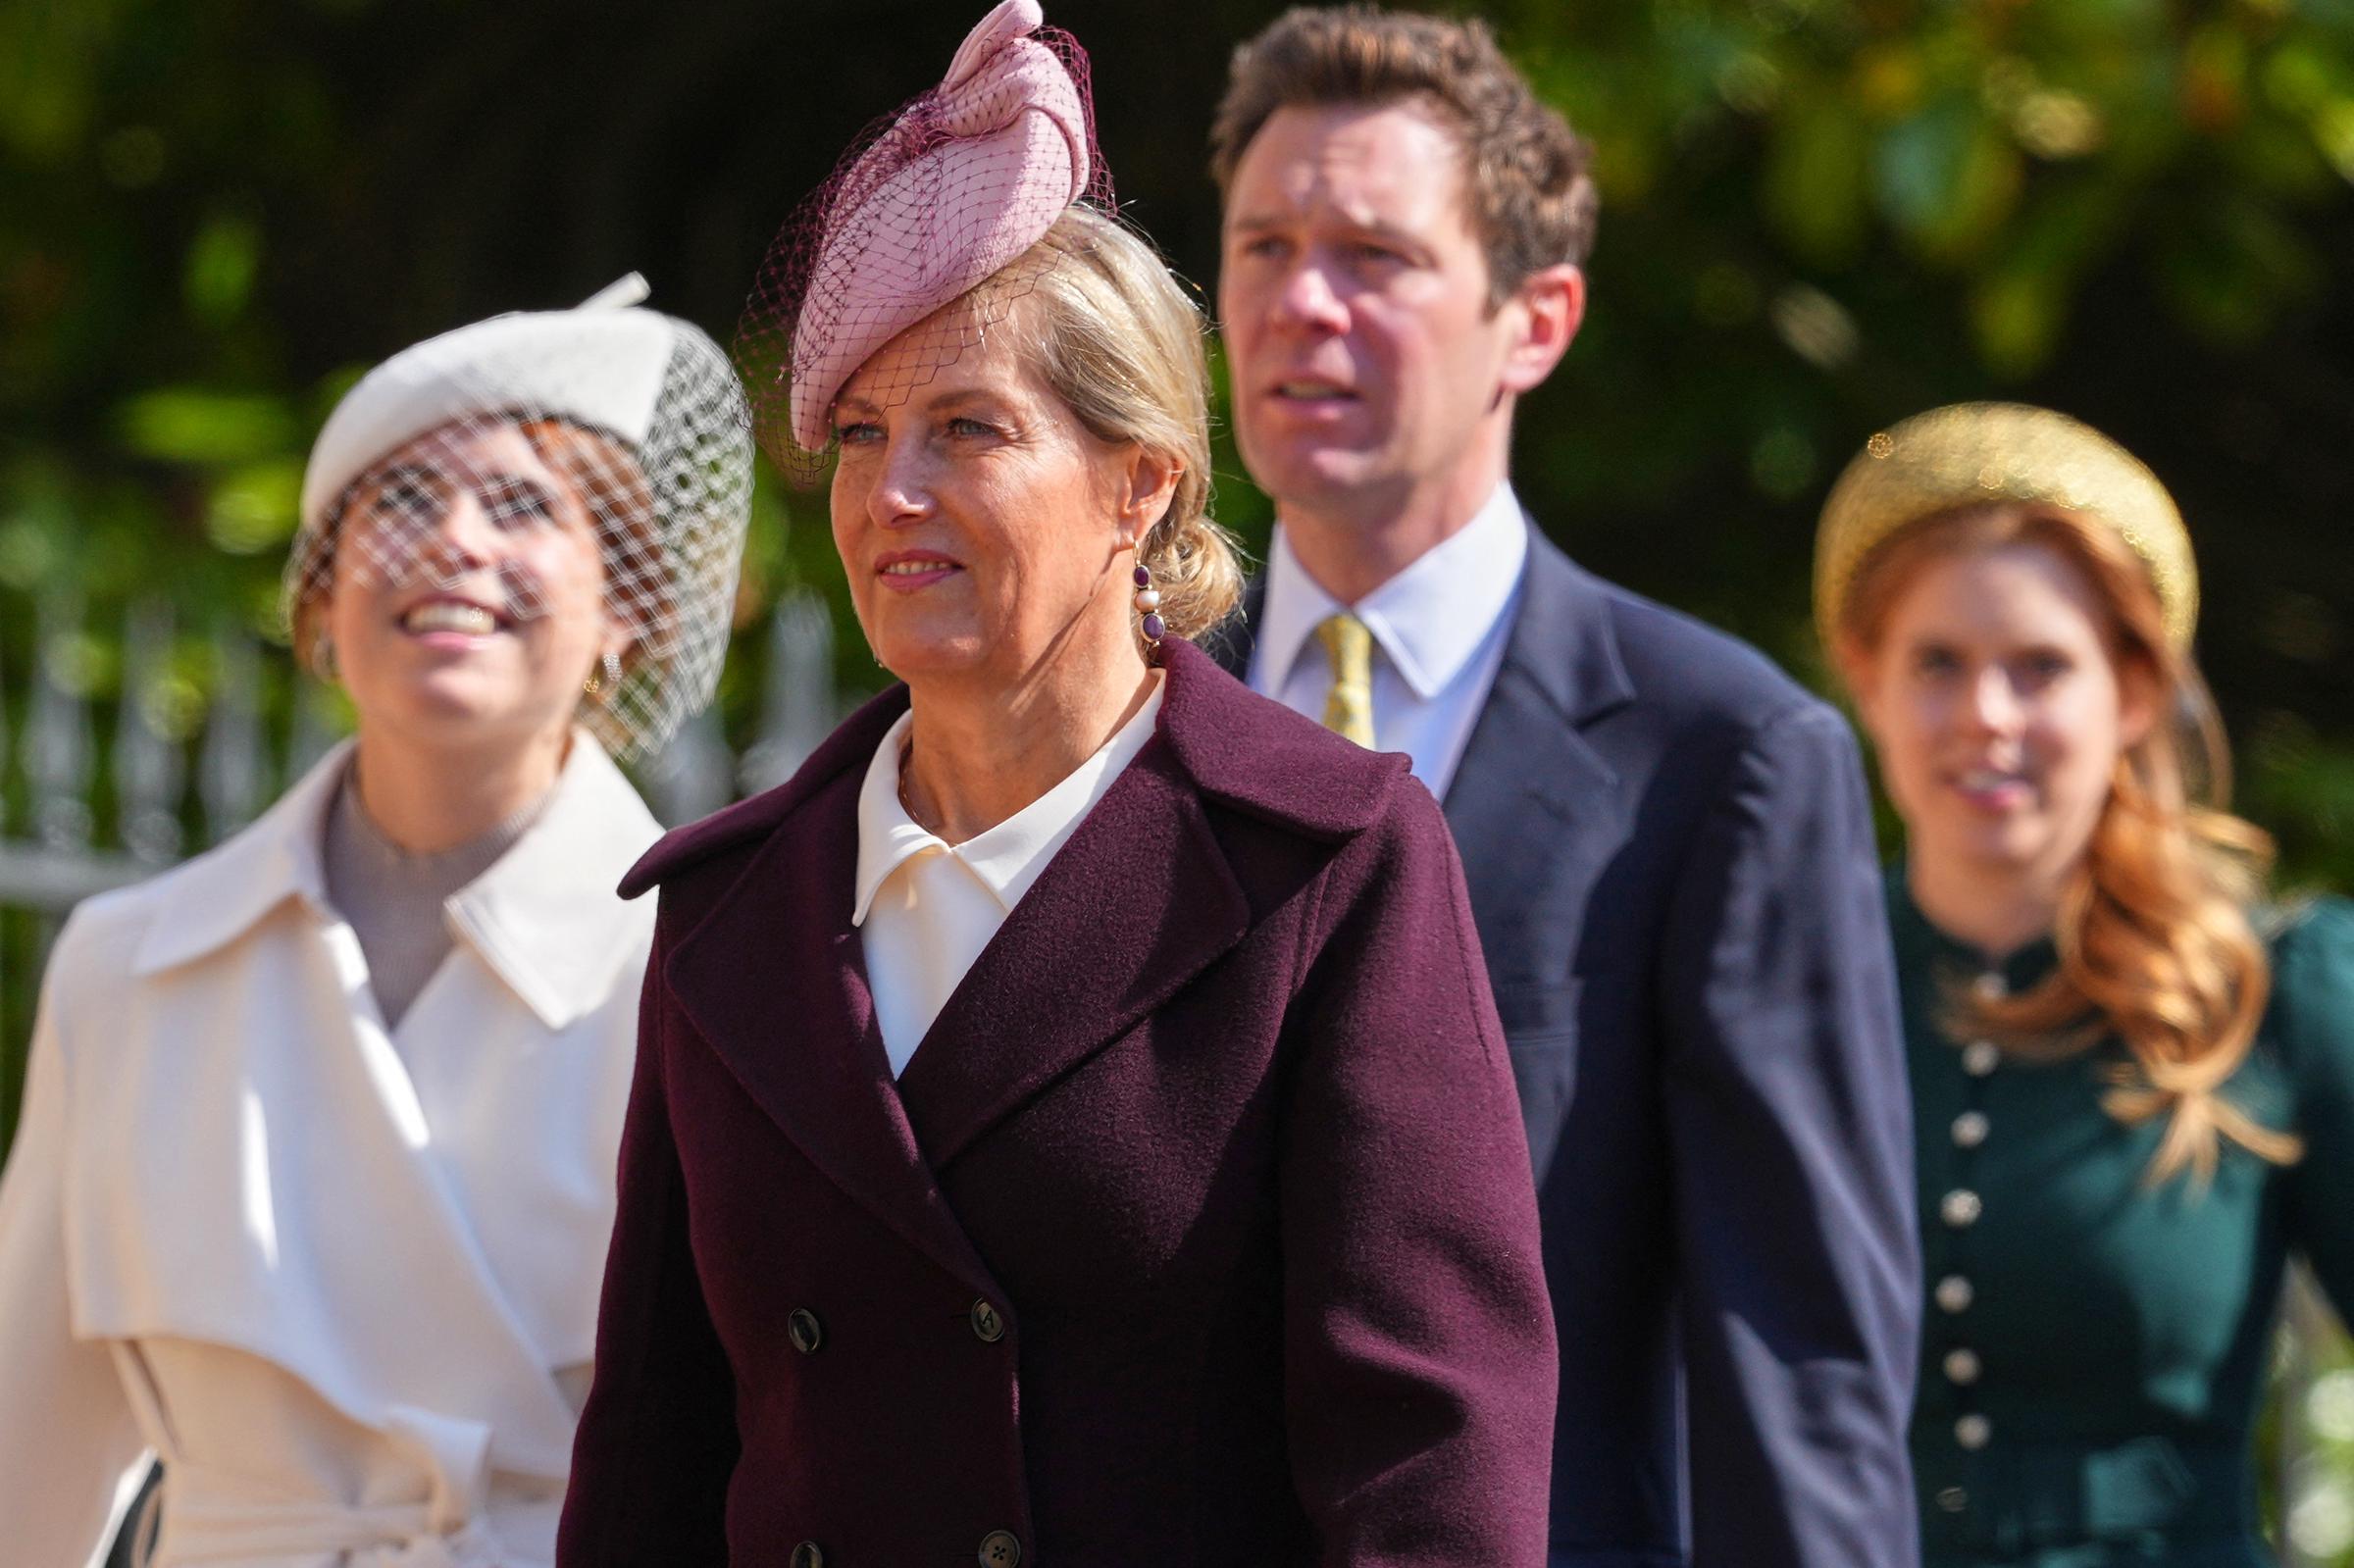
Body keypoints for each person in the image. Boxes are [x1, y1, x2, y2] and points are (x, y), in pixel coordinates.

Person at [555, 5, 1556, 1564]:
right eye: (868, 429)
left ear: (1139, 481)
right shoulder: (728, 907)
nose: (892, 491)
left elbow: (1429, 1470)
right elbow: (649, 1460)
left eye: (970, 429)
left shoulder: (1328, 861)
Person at [1203, 9, 1920, 1565]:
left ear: (1535, 320)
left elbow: (1797, 1358)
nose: (1300, 304)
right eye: (1262, 246)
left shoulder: (1722, 754)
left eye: (1374, 255)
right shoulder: (1126, 706)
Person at [0, 278, 754, 1568]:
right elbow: (28, 1442)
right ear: (320, 597)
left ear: (626, 603)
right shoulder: (126, 968)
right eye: (399, 499)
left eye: (524, 504)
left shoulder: (717, 968)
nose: (456, 539)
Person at [1816, 401, 2354, 1567]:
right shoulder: (1787, 987)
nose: (1985, 718)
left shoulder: (2272, 991)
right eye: (1938, 664)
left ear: (2137, 691)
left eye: (2042, 668)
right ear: (1865, 677)